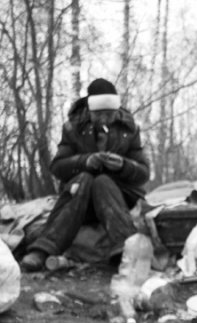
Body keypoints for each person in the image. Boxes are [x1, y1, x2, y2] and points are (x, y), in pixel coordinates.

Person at [20, 78, 150, 271]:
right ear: (90, 111)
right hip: (81, 199)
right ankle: (43, 250)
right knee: (86, 179)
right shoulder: (73, 128)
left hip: (120, 197)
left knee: (103, 181)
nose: (105, 120)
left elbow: (143, 173)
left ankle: (125, 249)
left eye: (110, 114)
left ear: (117, 111)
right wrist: (84, 161)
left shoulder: (128, 129)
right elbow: (57, 167)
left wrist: (123, 165)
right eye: (99, 115)